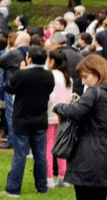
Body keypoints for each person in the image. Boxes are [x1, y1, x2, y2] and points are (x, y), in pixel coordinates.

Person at [54, 55, 107, 200]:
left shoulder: (95, 92)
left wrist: (59, 106)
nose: (83, 81)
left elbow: (74, 111)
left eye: (85, 76)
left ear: (97, 73)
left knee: (85, 195)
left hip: (89, 153)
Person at [0, 46, 55, 197]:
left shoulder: (21, 75)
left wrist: (20, 72)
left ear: (29, 59)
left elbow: (9, 88)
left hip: (22, 119)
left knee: (20, 155)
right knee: (40, 155)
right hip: (40, 118)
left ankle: (13, 188)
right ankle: (42, 186)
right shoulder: (49, 76)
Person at [45, 49, 73, 188]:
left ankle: (49, 177)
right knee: (61, 145)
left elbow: (51, 97)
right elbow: (69, 97)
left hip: (51, 114)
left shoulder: (50, 75)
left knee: (49, 146)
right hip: (63, 115)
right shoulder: (67, 77)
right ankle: (63, 175)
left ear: (52, 61)